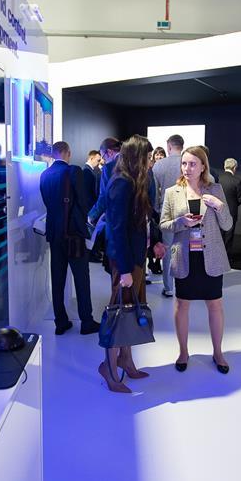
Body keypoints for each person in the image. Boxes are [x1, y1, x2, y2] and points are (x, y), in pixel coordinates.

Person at [160, 146, 233, 373]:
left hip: (211, 257)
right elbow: (163, 224)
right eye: (184, 163)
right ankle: (183, 351)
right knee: (182, 304)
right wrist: (181, 222)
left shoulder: (215, 189)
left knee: (215, 304)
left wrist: (219, 206)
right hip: (184, 257)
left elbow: (227, 224)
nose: (187, 168)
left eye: (192, 164)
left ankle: (218, 352)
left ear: (203, 166)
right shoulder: (172, 192)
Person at [102, 135, 166, 393]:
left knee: (128, 311)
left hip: (136, 258)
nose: (151, 162)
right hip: (125, 261)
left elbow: (144, 221)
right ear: (136, 157)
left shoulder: (136, 181)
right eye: (148, 157)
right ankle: (109, 367)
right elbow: (117, 230)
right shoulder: (121, 183)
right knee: (118, 313)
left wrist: (154, 243)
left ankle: (126, 360)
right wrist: (126, 270)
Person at [39, 141, 101, 336]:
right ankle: (86, 322)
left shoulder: (44, 175)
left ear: (53, 154)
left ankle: (61, 322)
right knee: (81, 278)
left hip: (53, 233)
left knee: (57, 279)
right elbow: (83, 202)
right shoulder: (74, 171)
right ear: (68, 153)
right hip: (73, 233)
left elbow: (47, 203)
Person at [152, 134, 185, 297]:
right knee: (184, 250)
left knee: (167, 250)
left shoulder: (159, 165)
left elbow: (154, 192)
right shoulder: (188, 163)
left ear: (169, 146)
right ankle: (184, 285)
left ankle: (169, 287)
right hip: (186, 212)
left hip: (166, 213)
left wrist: (157, 210)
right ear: (182, 146)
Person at [218, 158, 241, 253]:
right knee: (229, 235)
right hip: (231, 212)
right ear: (234, 167)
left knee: (219, 234)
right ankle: (227, 257)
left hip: (218, 211)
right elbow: (240, 198)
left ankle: (218, 255)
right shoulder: (237, 181)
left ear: (224, 166)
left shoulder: (217, 179)